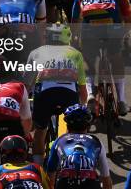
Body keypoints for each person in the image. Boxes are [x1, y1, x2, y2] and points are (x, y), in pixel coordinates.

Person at [72, 0, 131, 116]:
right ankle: (122, 101)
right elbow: (127, 16)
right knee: (116, 57)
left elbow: (74, 18)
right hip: (112, 28)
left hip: (90, 29)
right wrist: (125, 34)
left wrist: (75, 39)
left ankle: (91, 94)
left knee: (88, 59)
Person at [25, 23, 87, 165]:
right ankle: (70, 159)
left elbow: (27, 83)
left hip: (45, 94)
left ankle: (38, 166)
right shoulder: (76, 53)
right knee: (73, 130)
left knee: (40, 131)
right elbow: (82, 88)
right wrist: (82, 107)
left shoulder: (36, 52)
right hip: (69, 93)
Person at [46, 104, 112, 189]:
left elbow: (50, 177)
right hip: (90, 184)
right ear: (88, 126)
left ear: (67, 126)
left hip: (65, 184)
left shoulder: (59, 141)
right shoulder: (96, 142)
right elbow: (106, 180)